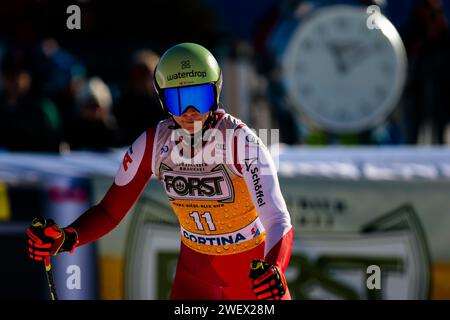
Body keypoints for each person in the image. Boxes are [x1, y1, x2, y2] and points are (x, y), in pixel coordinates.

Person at [26, 43, 294, 300]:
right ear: (163, 101)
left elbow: (277, 219)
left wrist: (274, 268)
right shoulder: (154, 143)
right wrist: (68, 237)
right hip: (196, 277)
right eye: (179, 100)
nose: (191, 112)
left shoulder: (241, 142)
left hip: (251, 278)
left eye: (199, 98)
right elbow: (110, 212)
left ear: (216, 94)